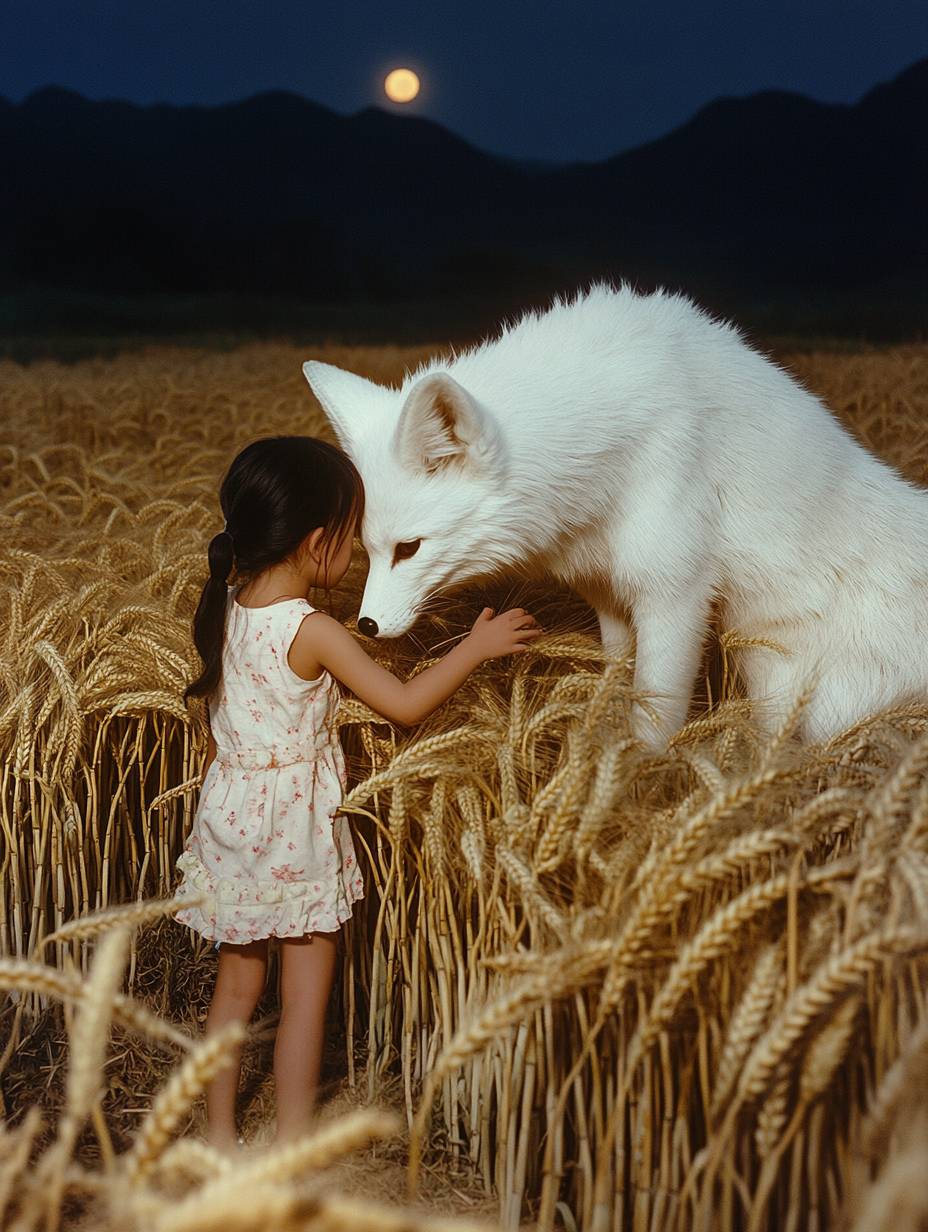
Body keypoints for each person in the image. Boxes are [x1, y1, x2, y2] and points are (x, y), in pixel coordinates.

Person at [172, 434, 542, 1152]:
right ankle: (294, 1141)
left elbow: (216, 722)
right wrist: (474, 648)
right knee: (305, 997)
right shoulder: (314, 630)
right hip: (295, 832)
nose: (356, 555)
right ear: (318, 543)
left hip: (230, 817)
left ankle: (216, 1133)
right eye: (352, 536)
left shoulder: (229, 601)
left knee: (235, 991)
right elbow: (402, 705)